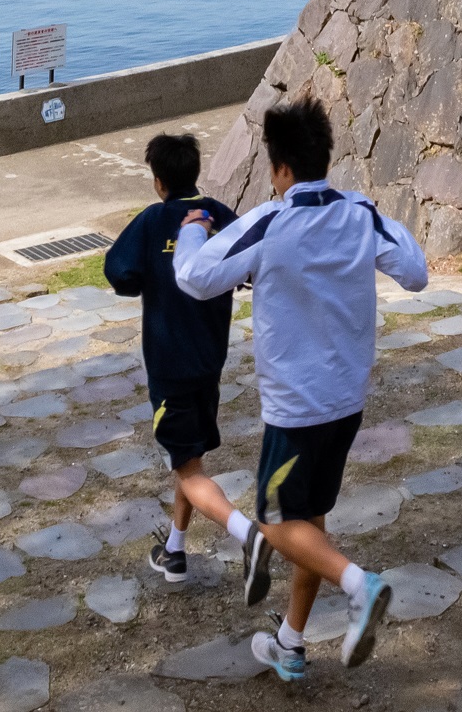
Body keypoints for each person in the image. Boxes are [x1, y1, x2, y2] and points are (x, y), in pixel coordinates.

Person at [173, 95, 430, 679]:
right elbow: (415, 273)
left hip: (296, 407)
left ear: (279, 167)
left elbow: (194, 277)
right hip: (347, 400)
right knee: (307, 524)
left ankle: (360, 585)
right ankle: (290, 643)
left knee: (272, 524)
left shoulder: (271, 219)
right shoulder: (359, 214)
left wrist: (192, 231)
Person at [101, 130, 241, 586]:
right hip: (210, 363)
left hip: (169, 366)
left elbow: (120, 272)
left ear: (158, 180)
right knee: (190, 459)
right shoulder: (220, 216)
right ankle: (175, 551)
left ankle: (251, 535)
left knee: (188, 467)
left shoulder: (151, 220)